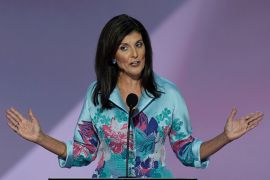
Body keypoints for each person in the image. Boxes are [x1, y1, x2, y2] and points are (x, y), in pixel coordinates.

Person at [6, 14, 264, 178]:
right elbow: (84, 152)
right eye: (124, 47)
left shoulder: (169, 94)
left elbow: (186, 151)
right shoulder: (97, 94)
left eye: (139, 45)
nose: (135, 55)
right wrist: (40, 138)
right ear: (112, 56)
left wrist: (226, 137)